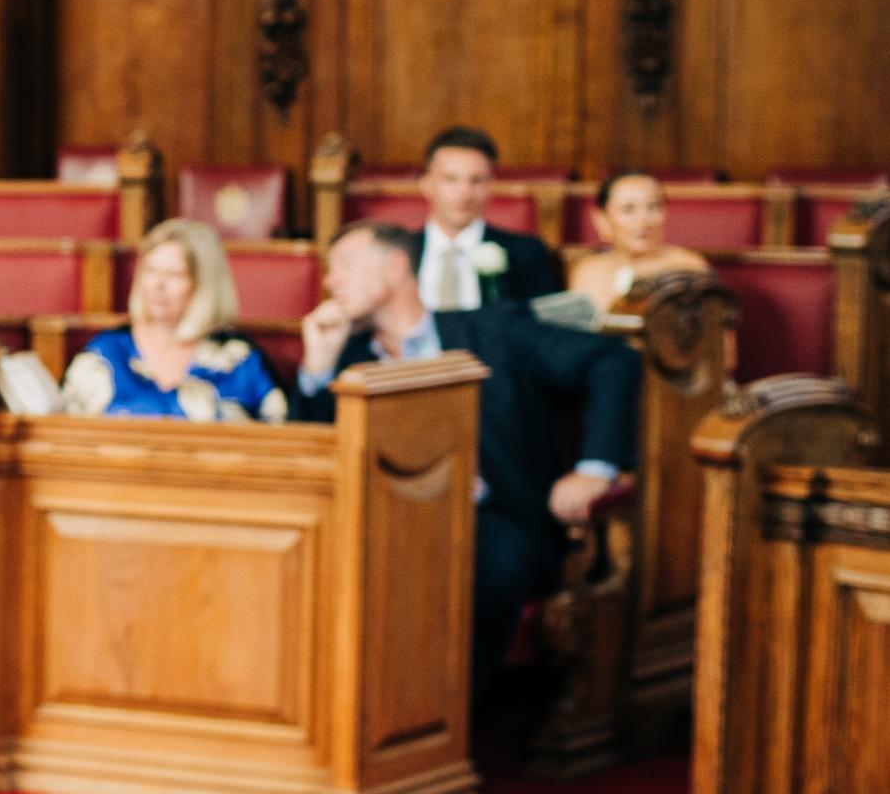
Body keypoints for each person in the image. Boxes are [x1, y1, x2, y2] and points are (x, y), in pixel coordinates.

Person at [292, 222, 638, 699]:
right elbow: (311, 449)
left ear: (395, 269)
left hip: (489, 515)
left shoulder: (490, 329)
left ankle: (442, 720)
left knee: (482, 565)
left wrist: (593, 468)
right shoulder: (346, 355)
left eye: (345, 266)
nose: (332, 283)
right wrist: (317, 366)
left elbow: (613, 361)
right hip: (376, 519)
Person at [63, 218, 285, 422]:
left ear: (204, 285)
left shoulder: (238, 361)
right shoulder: (104, 354)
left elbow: (283, 439)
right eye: (150, 271)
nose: (158, 284)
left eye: (174, 274)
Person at [409, 126, 564, 311]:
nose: (465, 192)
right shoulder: (400, 252)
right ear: (426, 184)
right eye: (451, 179)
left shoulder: (526, 252)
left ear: (491, 186)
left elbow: (546, 327)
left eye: (477, 180)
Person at [569, 171, 710, 315]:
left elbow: (717, 332)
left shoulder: (688, 267)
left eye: (653, 207)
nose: (643, 219)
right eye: (628, 209)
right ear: (602, 220)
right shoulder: (588, 271)